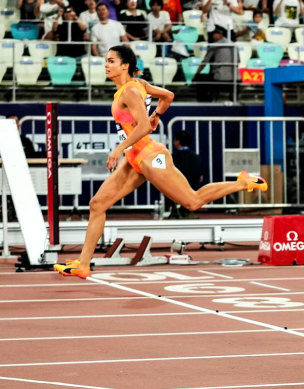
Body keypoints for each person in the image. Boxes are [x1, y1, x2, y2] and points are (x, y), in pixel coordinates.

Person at [53, 45, 267, 279]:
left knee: (193, 201)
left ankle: (242, 182)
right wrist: (157, 115)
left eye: (111, 61)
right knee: (97, 205)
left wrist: (120, 147)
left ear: (125, 65)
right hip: (134, 159)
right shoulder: (138, 86)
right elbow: (168, 96)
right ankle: (83, 264)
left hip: (150, 156)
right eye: (106, 61)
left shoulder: (130, 91)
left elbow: (143, 126)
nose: (106, 65)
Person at [194, 25, 239, 101]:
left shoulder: (215, 45)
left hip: (220, 78)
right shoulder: (235, 45)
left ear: (220, 34)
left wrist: (196, 75)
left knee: (200, 78)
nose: (213, 36)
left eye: (214, 33)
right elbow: (238, 61)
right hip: (236, 78)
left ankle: (204, 104)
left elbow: (204, 62)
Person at [167, 130, 203, 218]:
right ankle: (185, 210)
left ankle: (175, 210)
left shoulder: (172, 157)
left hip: (176, 190)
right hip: (193, 191)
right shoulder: (196, 157)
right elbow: (201, 177)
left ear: (177, 142)